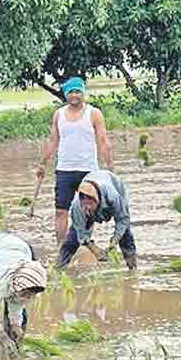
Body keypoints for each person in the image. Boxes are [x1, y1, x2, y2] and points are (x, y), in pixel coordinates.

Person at [34, 77, 113, 244]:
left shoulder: (94, 113)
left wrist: (110, 169)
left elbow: (103, 141)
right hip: (64, 170)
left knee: (88, 211)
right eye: (71, 92)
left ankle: (85, 243)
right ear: (65, 95)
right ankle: (61, 247)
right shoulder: (59, 114)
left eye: (78, 91)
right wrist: (42, 163)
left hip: (89, 171)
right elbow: (52, 141)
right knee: (61, 211)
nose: (74, 95)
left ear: (83, 93)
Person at [56, 171, 136, 270]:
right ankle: (59, 268)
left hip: (112, 182)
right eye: (84, 205)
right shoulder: (77, 206)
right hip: (92, 180)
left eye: (90, 205)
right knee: (72, 239)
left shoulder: (113, 196)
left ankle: (132, 267)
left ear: (96, 200)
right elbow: (81, 231)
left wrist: (115, 240)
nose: (87, 208)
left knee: (125, 235)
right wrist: (93, 248)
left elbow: (122, 219)